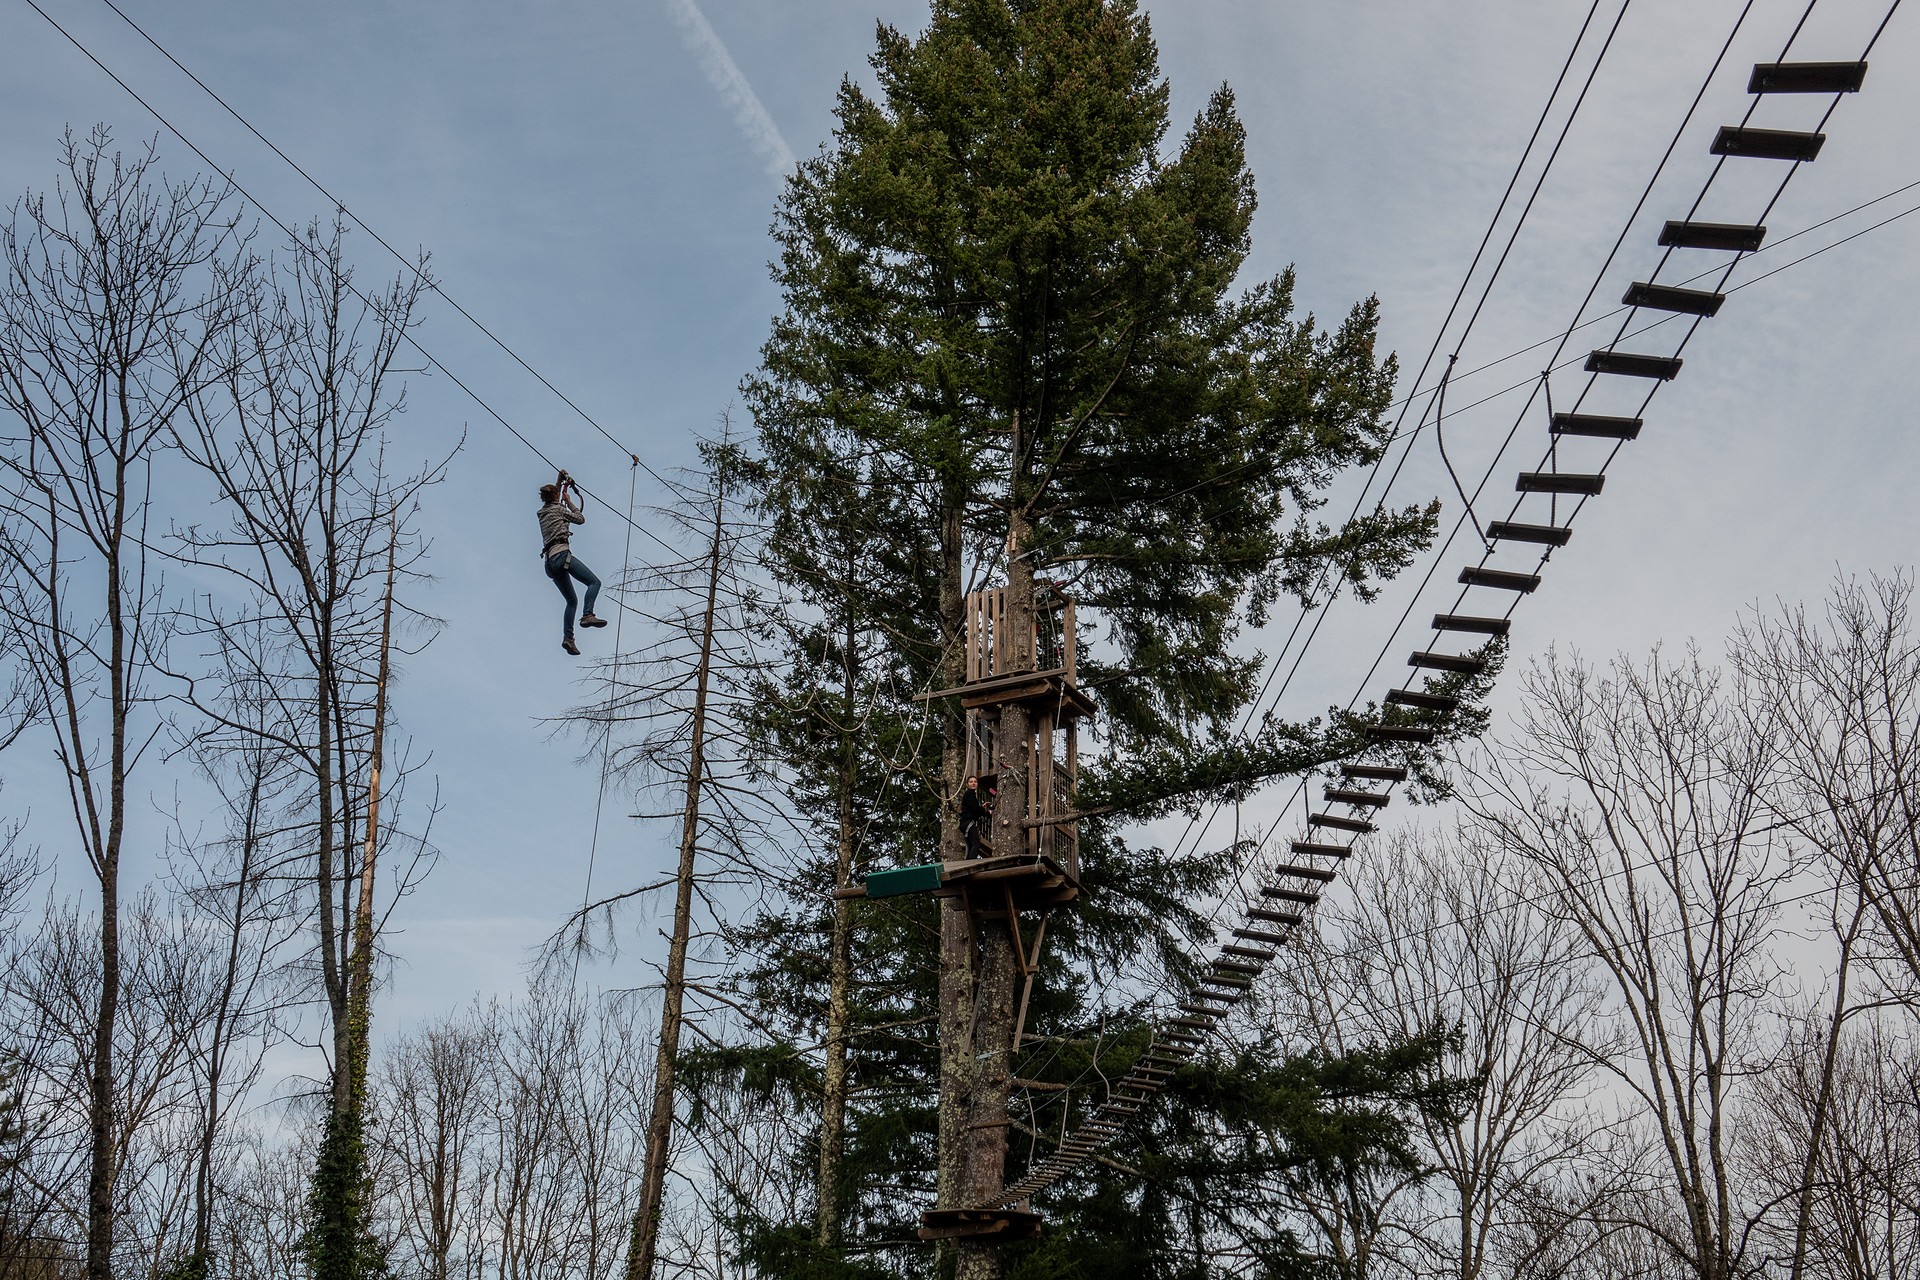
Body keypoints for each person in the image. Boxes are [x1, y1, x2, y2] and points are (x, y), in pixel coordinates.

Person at [537, 469, 607, 655]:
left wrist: (559, 481)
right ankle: (588, 615)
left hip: (550, 564)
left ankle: (568, 638)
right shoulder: (560, 508)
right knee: (594, 582)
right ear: (557, 497)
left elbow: (553, 498)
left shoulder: (542, 512)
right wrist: (570, 503)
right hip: (561, 556)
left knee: (571, 601)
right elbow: (580, 519)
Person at [960, 774, 994, 859]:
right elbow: (975, 809)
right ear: (967, 784)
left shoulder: (970, 795)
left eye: (975, 782)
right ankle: (971, 864)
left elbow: (974, 810)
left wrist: (982, 808)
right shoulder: (969, 794)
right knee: (976, 844)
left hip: (965, 823)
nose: (973, 783)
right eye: (971, 782)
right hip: (967, 823)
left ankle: (968, 862)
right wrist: (987, 812)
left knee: (971, 845)